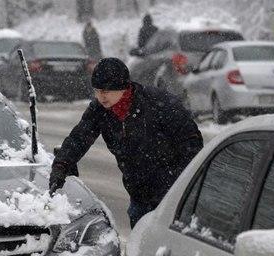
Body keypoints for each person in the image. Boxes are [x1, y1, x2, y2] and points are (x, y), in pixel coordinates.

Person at [49, 58, 203, 228]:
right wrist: (61, 165)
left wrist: (178, 182)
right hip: (139, 194)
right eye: (97, 91)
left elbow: (192, 145)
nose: (101, 96)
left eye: (106, 91)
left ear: (123, 87)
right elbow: (79, 137)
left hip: (173, 194)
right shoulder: (100, 110)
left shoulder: (158, 104)